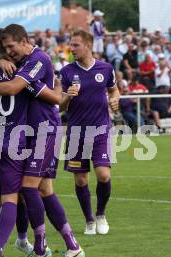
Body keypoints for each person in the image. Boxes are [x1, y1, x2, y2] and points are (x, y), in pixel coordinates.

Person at [0, 24, 84, 257]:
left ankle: (48, 246)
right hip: (27, 134)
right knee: (42, 189)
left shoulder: (37, 59)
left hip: (44, 131)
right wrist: (1, 58)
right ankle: (67, 246)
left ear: (24, 41)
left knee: (29, 187)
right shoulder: (21, 62)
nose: (9, 52)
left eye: (11, 47)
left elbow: (15, 89)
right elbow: (54, 98)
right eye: (5, 49)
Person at [59, 30, 120, 236]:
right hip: (76, 132)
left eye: (76, 45)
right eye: (71, 44)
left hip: (101, 129)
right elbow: (59, 106)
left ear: (88, 45)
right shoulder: (66, 72)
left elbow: (113, 90)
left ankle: (101, 214)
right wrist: (67, 96)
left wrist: (115, 99)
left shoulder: (106, 68)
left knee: (103, 175)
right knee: (81, 181)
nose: (72, 48)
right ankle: (89, 220)